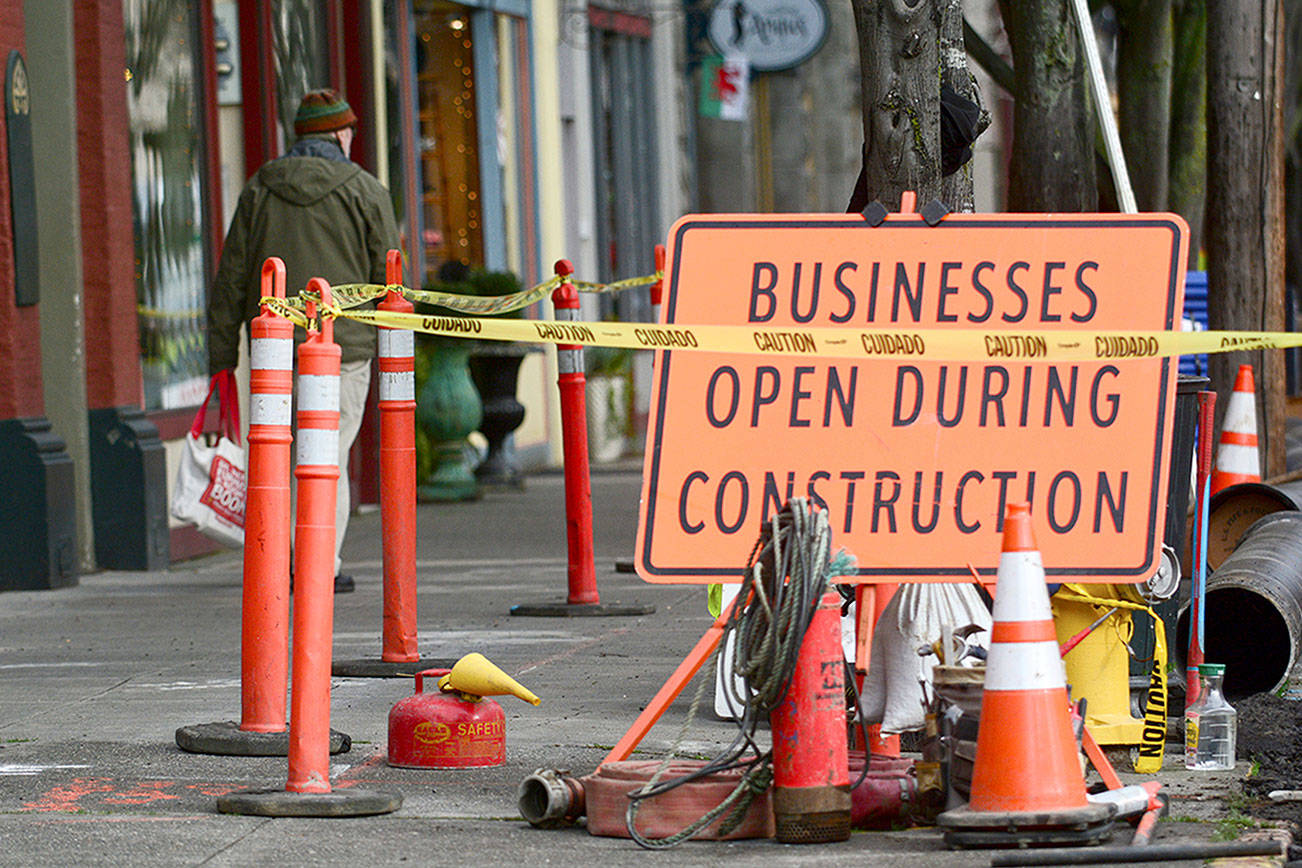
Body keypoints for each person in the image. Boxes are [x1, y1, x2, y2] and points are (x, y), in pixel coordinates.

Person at [208, 89, 401, 593]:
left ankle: (285, 558)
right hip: (346, 349)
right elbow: (392, 279)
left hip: (271, 352)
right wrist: (402, 354)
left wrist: (221, 356)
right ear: (340, 134)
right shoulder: (365, 190)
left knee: (277, 454)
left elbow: (232, 276)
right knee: (327, 454)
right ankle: (319, 564)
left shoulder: (260, 188)